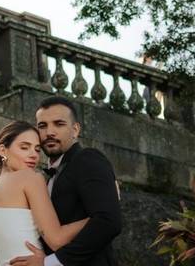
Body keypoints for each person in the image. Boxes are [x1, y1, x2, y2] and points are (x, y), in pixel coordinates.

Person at [9, 96, 121, 266]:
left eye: (59, 124)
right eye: (42, 126)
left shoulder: (87, 159)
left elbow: (109, 221)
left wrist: (50, 262)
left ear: (75, 130)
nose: (49, 132)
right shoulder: (47, 179)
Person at [0, 121, 88, 266]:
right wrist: (98, 216)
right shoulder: (30, 178)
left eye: (37, 149)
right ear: (3, 150)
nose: (33, 155)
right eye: (24, 147)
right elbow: (56, 240)